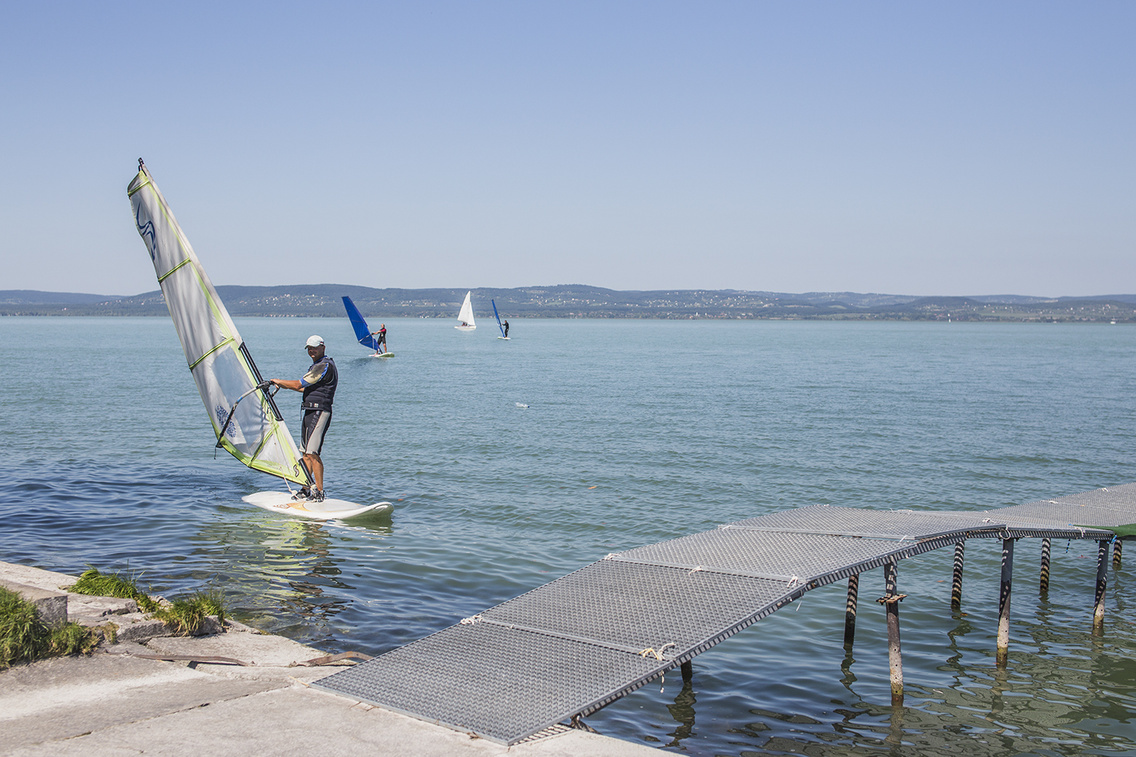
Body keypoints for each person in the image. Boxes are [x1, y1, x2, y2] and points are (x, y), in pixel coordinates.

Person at [269, 335, 338, 502]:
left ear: (323, 347)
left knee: (313, 453)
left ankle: (319, 492)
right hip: (309, 411)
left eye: (314, 347)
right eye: (308, 348)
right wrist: (283, 385)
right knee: (305, 454)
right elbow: (304, 389)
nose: (311, 350)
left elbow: (299, 384)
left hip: (320, 411)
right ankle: (306, 489)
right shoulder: (315, 366)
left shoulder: (324, 366)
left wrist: (277, 380)